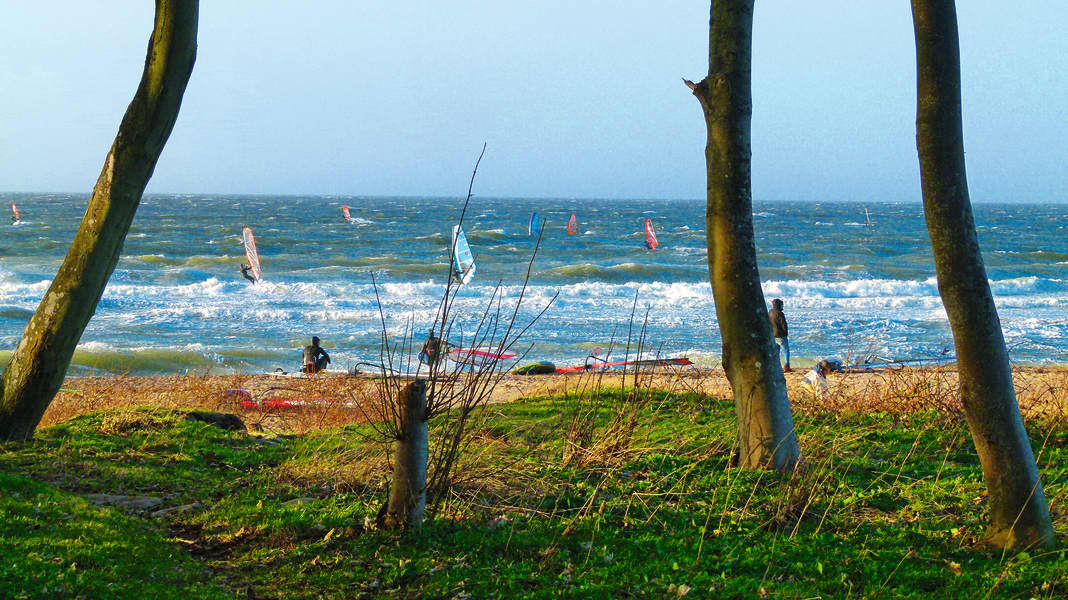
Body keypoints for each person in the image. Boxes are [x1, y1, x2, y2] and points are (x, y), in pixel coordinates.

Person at [768, 298, 790, 372]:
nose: (782, 306)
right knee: (786, 351)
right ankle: (786, 367)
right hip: (781, 336)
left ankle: (775, 366)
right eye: (781, 305)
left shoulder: (770, 312)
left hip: (773, 335)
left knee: (776, 352)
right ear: (778, 305)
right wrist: (786, 333)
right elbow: (784, 325)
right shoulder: (780, 313)